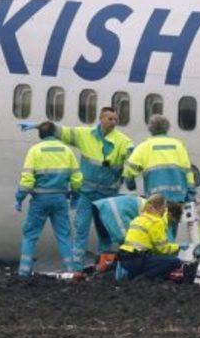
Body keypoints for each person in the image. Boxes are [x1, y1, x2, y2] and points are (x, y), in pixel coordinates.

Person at [55, 107, 134, 266]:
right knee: (81, 229)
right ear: (101, 118)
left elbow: (131, 160)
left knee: (105, 230)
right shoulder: (85, 135)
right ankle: (76, 266)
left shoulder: (123, 142)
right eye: (110, 119)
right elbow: (63, 132)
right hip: (87, 194)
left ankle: (102, 264)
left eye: (115, 120)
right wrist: (41, 126)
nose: (113, 122)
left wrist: (130, 175)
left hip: (107, 195)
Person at [15, 121, 83, 277]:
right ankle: (71, 270)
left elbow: (27, 180)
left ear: (40, 135)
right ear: (55, 133)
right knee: (64, 236)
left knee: (30, 235)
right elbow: (77, 178)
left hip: (39, 199)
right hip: (60, 199)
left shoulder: (34, 151)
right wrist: (75, 196)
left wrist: (19, 198)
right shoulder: (67, 151)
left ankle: (24, 272)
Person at [123, 115, 195, 204]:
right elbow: (188, 172)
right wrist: (191, 193)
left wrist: (131, 185)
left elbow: (129, 170)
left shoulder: (144, 147)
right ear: (167, 128)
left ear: (150, 129)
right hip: (179, 198)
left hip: (155, 199)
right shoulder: (179, 145)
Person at [117, 194, 182, 281]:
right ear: (161, 208)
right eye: (164, 207)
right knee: (175, 262)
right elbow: (163, 249)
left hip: (125, 259)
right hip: (138, 259)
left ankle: (133, 276)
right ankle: (142, 279)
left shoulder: (139, 218)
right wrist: (178, 247)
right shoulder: (156, 222)